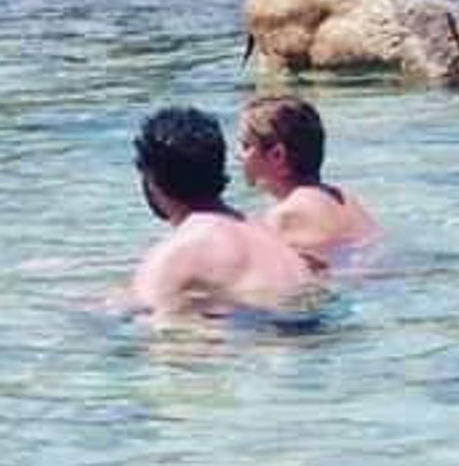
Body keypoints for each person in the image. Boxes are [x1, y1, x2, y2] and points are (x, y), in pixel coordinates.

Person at [123, 105, 316, 321]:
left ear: (152, 180)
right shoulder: (269, 237)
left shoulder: (177, 252)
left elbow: (143, 317)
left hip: (261, 341)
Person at [237, 96, 380, 270]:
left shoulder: (285, 216)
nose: (238, 155)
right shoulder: (344, 198)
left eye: (245, 146)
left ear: (277, 156)